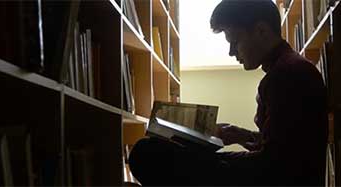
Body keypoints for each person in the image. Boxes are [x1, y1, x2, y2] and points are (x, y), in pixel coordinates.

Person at [128, 0, 327, 185]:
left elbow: (273, 165)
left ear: (261, 31)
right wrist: (242, 135)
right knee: (164, 152)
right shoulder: (289, 68)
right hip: (277, 175)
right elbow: (285, 147)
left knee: (146, 153)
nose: (231, 52)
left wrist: (213, 159)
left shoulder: (287, 74)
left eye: (235, 41)